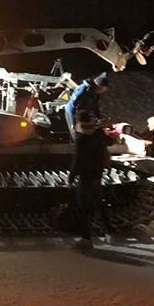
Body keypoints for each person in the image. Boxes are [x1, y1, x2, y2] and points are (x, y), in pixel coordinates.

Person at [69, 111, 114, 250]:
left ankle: (86, 239)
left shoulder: (81, 139)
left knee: (84, 208)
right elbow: (110, 142)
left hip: (85, 176)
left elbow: (78, 160)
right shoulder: (98, 135)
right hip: (97, 174)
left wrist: (71, 178)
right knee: (99, 204)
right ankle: (109, 232)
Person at [65, 72, 109, 140]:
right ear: (99, 86)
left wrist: (98, 116)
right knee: (76, 133)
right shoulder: (83, 90)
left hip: (83, 113)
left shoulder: (95, 93)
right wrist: (73, 123)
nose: (104, 91)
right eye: (104, 89)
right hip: (71, 112)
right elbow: (72, 106)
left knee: (87, 131)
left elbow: (95, 104)